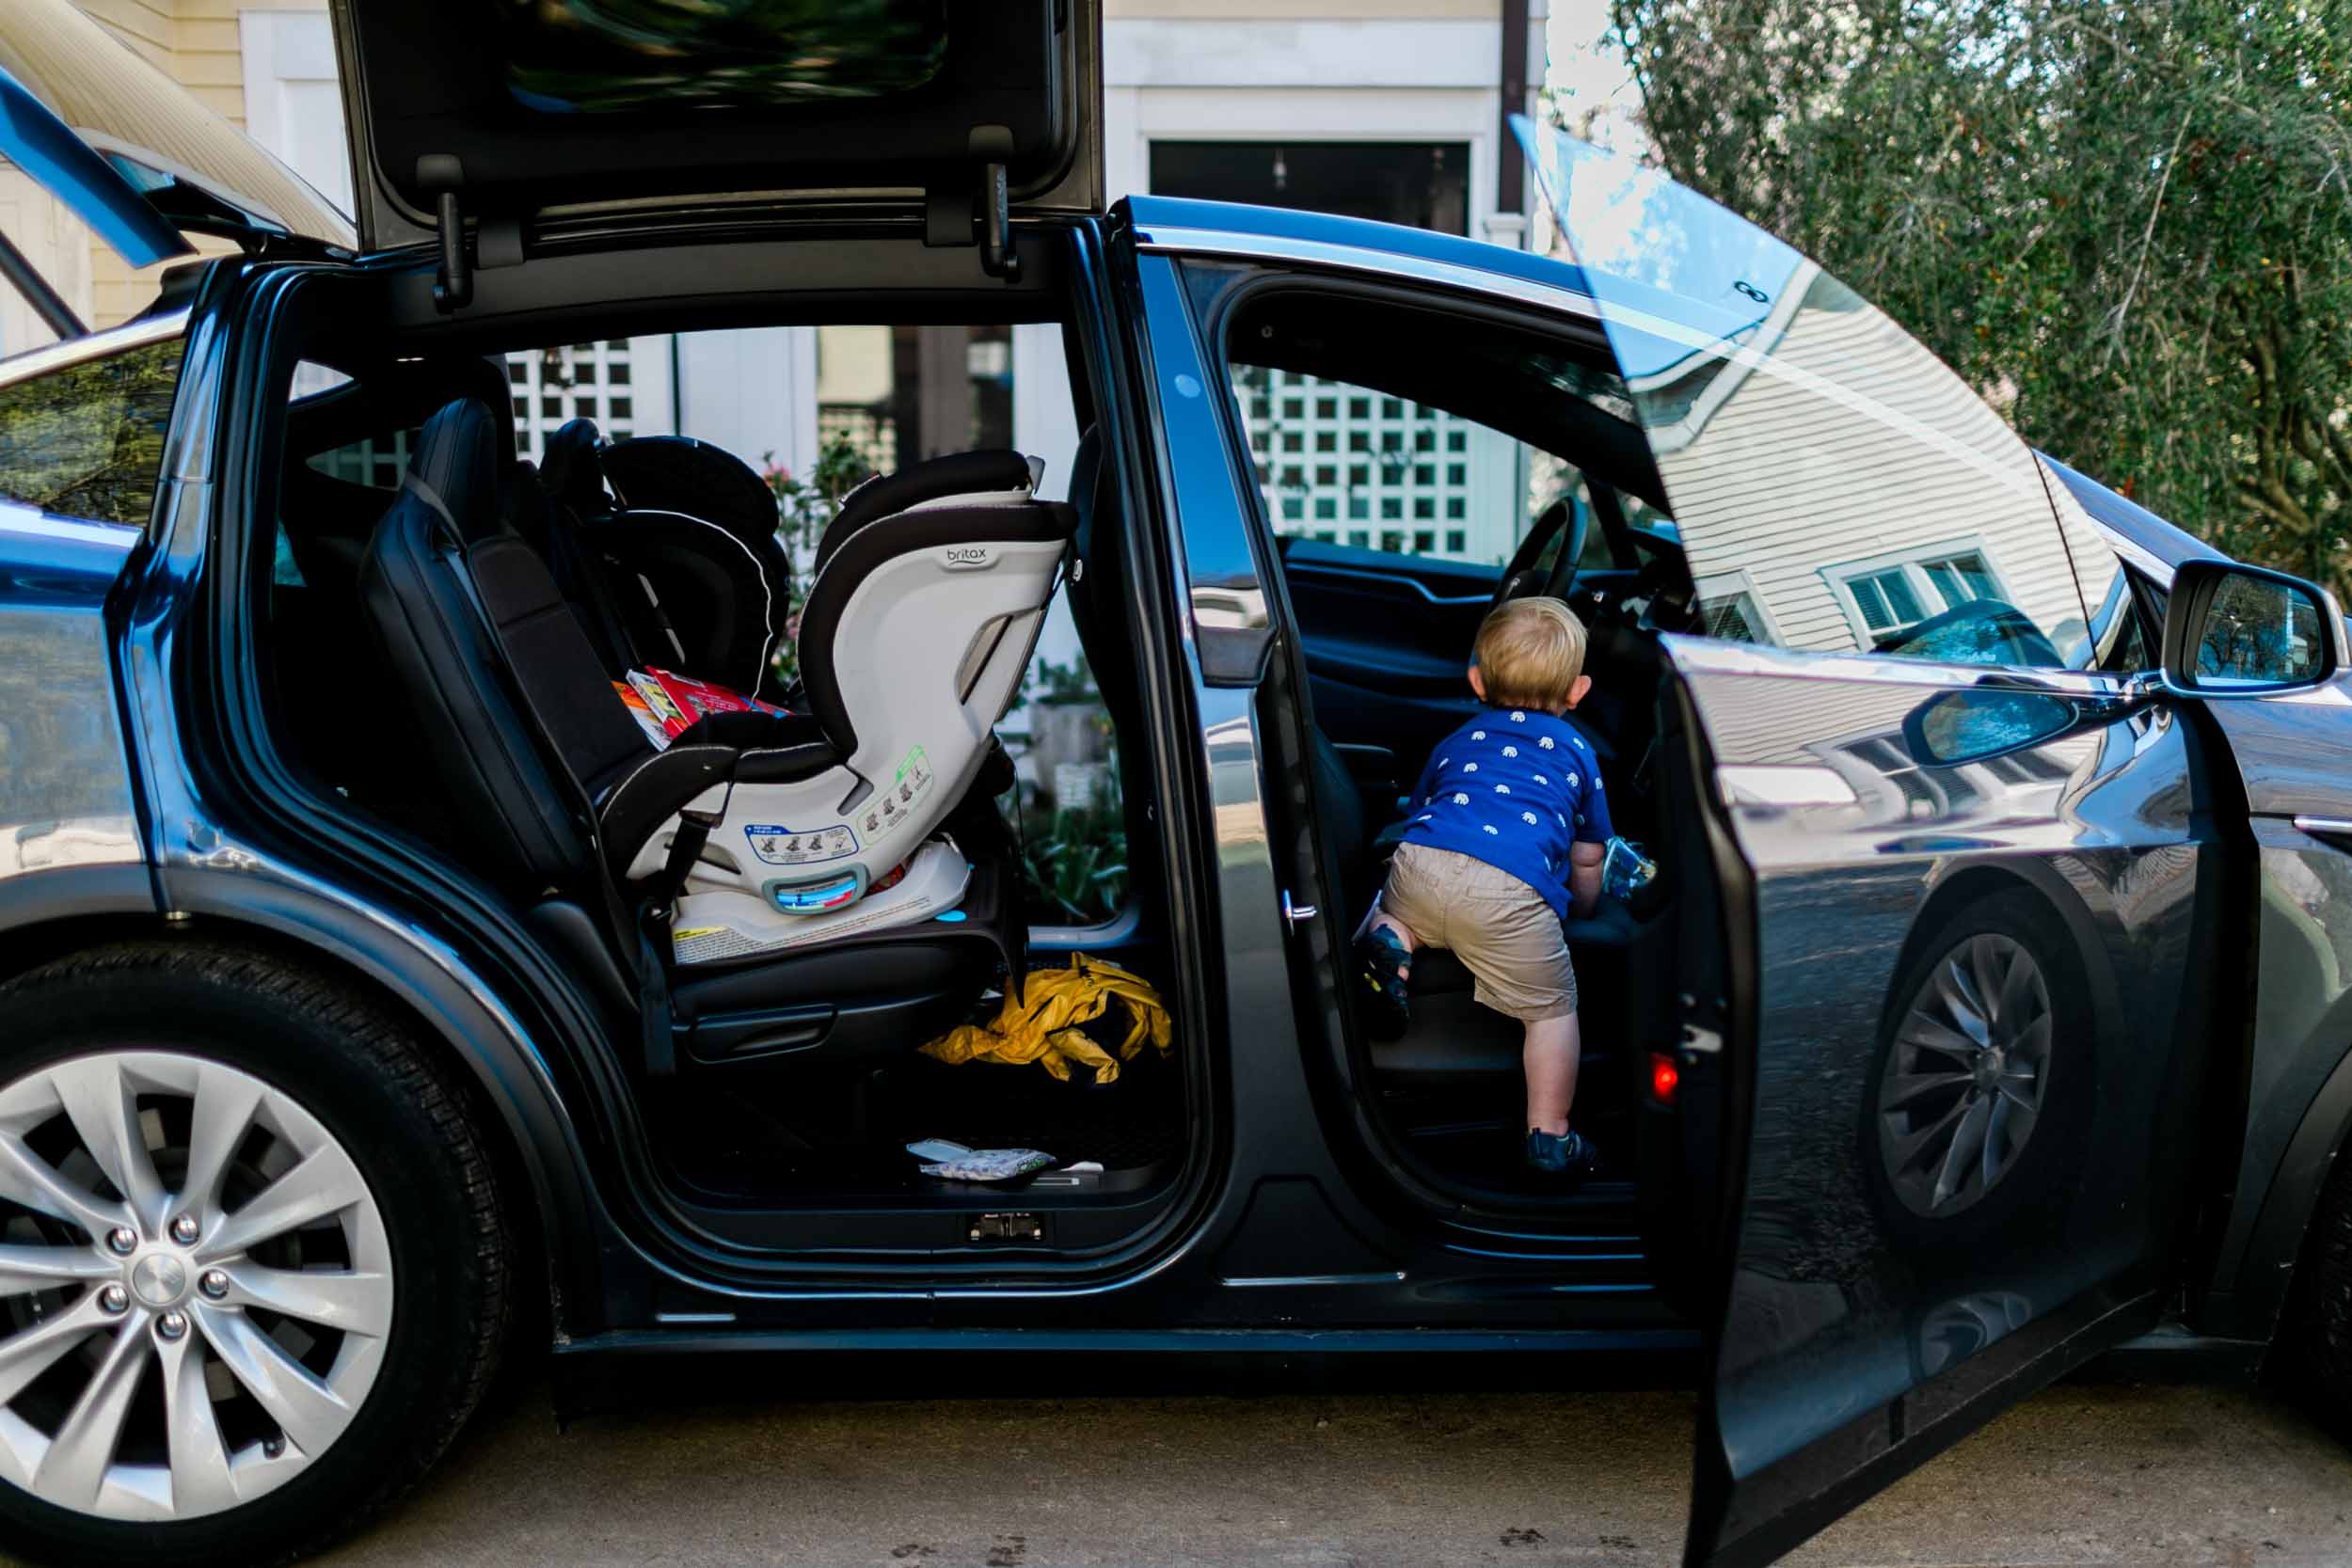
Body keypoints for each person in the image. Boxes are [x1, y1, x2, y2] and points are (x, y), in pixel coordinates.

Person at [1355, 595, 1613, 1179]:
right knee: (1550, 1012)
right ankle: (1551, 1134)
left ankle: (1392, 947)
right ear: (1578, 692)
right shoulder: (1577, 752)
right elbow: (1588, 852)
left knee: (1392, 908)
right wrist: (1586, 907)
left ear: (1476, 680)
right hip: (1510, 894)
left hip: (1422, 862)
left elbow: (1421, 810)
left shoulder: (1458, 740)